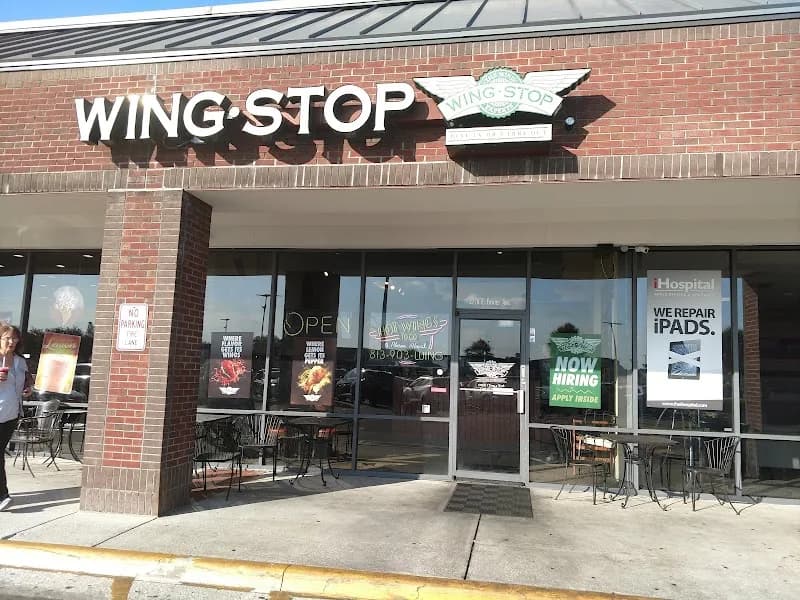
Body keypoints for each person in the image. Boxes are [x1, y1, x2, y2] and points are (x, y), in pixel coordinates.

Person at [0, 325, 33, 511]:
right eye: (7, 338)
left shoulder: (20, 361)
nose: (12, 342)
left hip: (11, 414)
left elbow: (28, 380)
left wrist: (29, 388)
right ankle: (2, 495)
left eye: (14, 339)